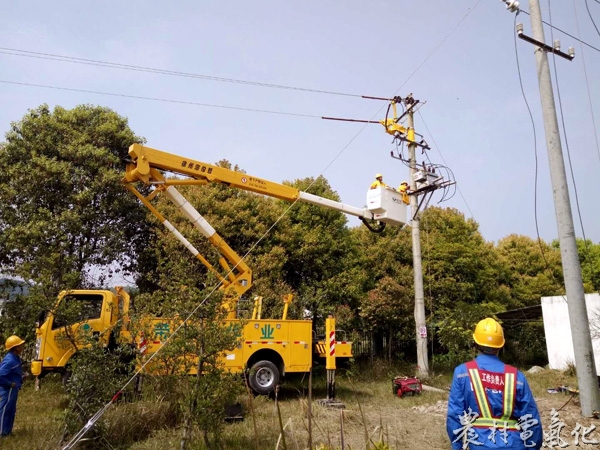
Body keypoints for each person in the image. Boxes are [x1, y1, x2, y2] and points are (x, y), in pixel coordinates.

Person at [446, 318, 542, 449]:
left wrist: (457, 446)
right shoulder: (516, 376)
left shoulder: (463, 373)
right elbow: (531, 419)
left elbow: (455, 416)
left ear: (475, 343)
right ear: (500, 345)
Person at [0, 335, 26, 437]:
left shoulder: (16, 358)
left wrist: (21, 377)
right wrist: (9, 384)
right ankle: (1, 432)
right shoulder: (9, 360)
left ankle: (7, 432)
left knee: (11, 410)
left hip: (14, 389)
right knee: (5, 410)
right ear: (16, 348)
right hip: (8, 390)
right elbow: (1, 376)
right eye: (20, 345)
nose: (22, 346)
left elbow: (13, 373)